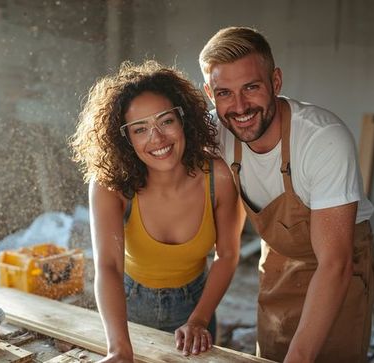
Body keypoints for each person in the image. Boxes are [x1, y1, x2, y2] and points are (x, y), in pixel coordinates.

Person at [199, 27, 374, 363]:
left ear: (275, 82)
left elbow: (335, 263)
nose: (239, 106)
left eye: (251, 87)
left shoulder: (323, 139)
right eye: (224, 93)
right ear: (209, 94)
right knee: (271, 353)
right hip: (277, 261)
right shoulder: (213, 129)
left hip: (339, 265)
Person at [70, 60, 244, 362]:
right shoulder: (110, 185)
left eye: (165, 121)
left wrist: (199, 320)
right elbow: (109, 266)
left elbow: (227, 255)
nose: (158, 139)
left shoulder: (219, 177)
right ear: (124, 139)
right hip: (128, 309)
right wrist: (119, 349)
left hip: (198, 305)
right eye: (140, 129)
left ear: (183, 118)